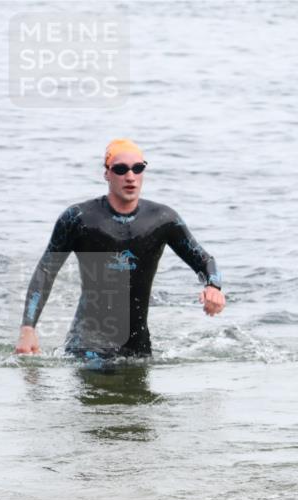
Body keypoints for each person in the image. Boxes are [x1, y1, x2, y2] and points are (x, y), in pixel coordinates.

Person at [15, 139, 225, 358]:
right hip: (88, 345)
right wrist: (27, 329)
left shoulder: (163, 219)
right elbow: (46, 271)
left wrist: (213, 286)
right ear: (107, 173)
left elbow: (204, 261)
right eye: (120, 169)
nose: (130, 176)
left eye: (137, 168)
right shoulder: (78, 218)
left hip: (138, 345)